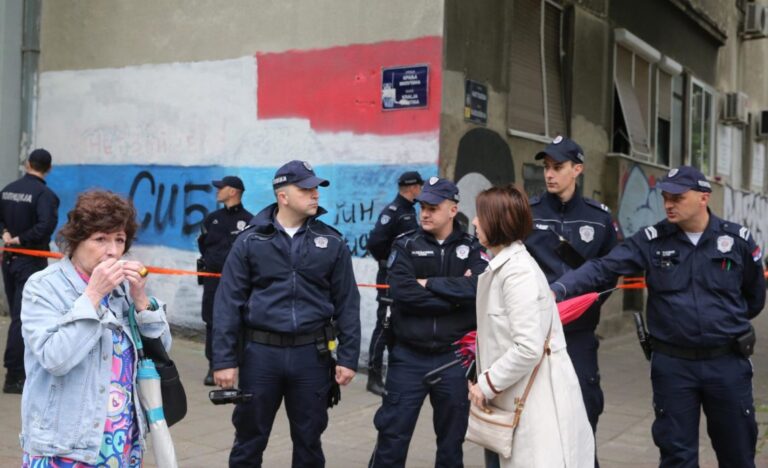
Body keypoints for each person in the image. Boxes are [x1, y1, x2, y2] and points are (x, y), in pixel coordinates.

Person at [551, 166, 766, 467]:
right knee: (677, 456)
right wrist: (559, 289)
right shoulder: (652, 241)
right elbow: (604, 267)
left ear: (703, 197)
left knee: (738, 454)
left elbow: (754, 298)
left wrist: (721, 322)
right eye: (665, 196)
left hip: (726, 364)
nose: (668, 204)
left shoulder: (737, 240)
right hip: (673, 367)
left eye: (677, 197)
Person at [212, 160, 360, 468]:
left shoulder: (331, 242)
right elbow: (228, 303)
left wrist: (347, 356)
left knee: (309, 439)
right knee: (249, 438)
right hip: (260, 355)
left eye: (316, 188)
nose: (314, 194)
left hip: (312, 356)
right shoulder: (251, 240)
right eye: (306, 188)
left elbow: (347, 302)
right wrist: (224, 360)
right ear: (283, 195)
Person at [19, 190, 171, 466]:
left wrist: (141, 300)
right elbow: (54, 358)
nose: (112, 251)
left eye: (119, 240)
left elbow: (161, 352)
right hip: (64, 446)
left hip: (119, 440)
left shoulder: (123, 290)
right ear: (76, 241)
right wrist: (92, 297)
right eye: (100, 239)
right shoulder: (43, 286)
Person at [468, 184, 595, 467]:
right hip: (516, 399)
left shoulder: (518, 273)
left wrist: (486, 384)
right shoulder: (504, 265)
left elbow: (528, 347)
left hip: (536, 406)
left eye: (480, 216)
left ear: (498, 222)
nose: (474, 222)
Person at [369, 177, 488, 468]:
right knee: (391, 439)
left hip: (454, 359)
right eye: (423, 206)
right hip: (408, 357)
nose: (425, 213)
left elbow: (480, 290)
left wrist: (430, 284)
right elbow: (402, 292)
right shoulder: (406, 244)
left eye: (433, 207)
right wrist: (454, 297)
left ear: (452, 209)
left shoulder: (472, 247)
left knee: (451, 444)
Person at [524, 137, 617, 442]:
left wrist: (584, 309)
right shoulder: (527, 213)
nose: (549, 174)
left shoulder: (599, 218)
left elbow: (609, 275)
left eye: (558, 167)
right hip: (533, 333)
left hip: (578, 335)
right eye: (546, 167)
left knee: (584, 413)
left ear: (577, 169)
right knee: (532, 417)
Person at [0, 148, 60, 393]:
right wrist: (21, 239)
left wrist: (6, 235)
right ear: (49, 168)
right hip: (30, 262)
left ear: (27, 163)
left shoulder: (8, 190)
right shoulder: (45, 195)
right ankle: (15, 375)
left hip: (9, 260)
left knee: (18, 316)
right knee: (24, 317)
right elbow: (46, 226)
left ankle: (16, 370)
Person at [365, 170, 423, 395]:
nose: (421, 190)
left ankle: (395, 374)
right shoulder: (394, 211)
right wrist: (388, 262)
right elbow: (375, 242)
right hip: (389, 278)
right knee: (384, 325)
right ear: (412, 188)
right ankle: (373, 376)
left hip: (403, 277)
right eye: (420, 186)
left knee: (398, 325)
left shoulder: (409, 210)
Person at [198, 175, 252, 385]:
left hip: (239, 282)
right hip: (214, 280)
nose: (217, 191)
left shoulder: (249, 221)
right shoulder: (212, 219)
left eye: (221, 188)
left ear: (233, 191)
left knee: (239, 322)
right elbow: (203, 244)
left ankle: (239, 363)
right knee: (212, 321)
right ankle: (214, 365)